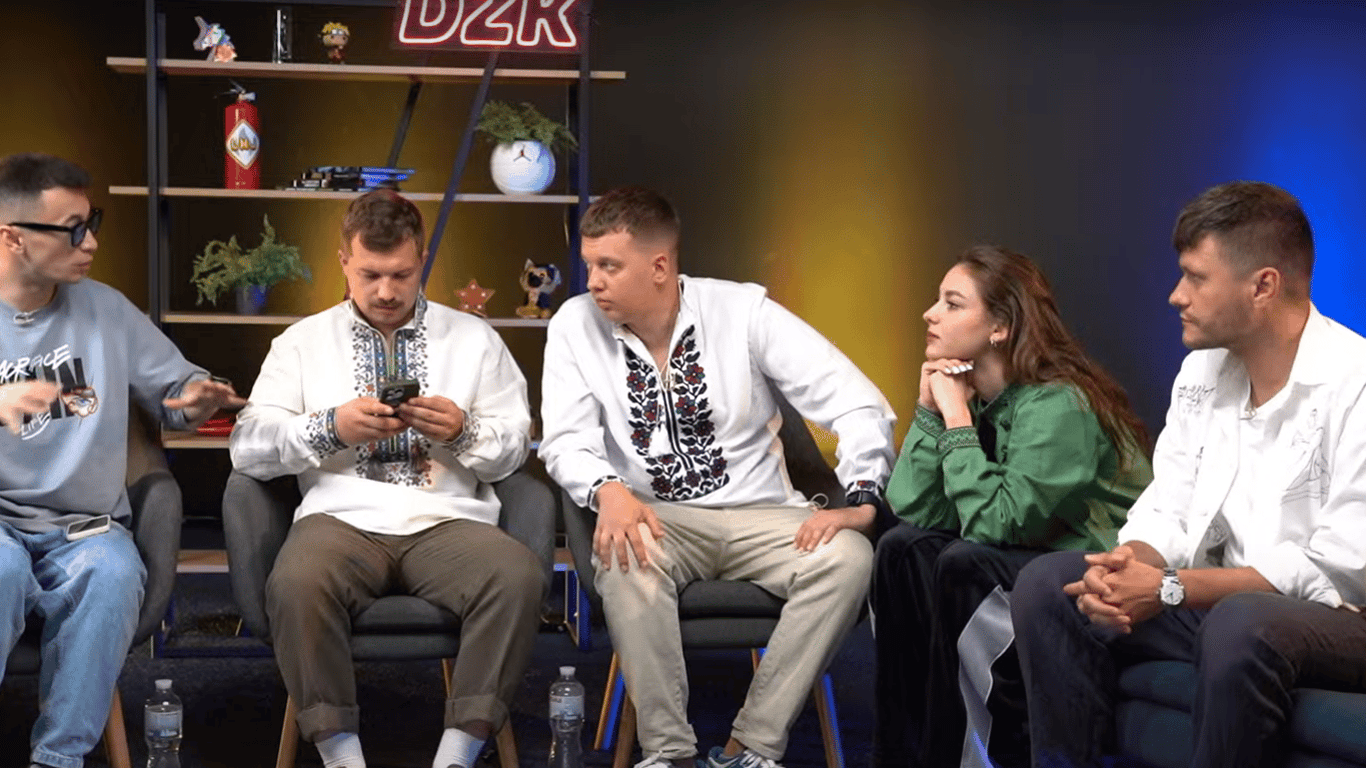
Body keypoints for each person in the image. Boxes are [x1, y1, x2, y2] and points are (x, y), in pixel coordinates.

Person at [1010, 180, 1366, 768]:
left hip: (1338, 619)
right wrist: (1127, 566)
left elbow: (1340, 570)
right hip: (1218, 605)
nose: (1177, 295)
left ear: (1263, 286)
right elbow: (1167, 503)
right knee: (1052, 586)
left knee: (1241, 622)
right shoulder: (1201, 372)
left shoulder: (1355, 382)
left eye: (1196, 278)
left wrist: (1170, 588)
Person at [539, 186, 897, 768]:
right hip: (659, 521)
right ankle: (670, 754)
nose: (593, 282)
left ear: (659, 266)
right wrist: (609, 491)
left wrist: (861, 497)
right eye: (589, 265)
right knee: (625, 556)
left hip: (767, 517)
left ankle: (751, 746)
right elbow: (564, 439)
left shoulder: (743, 312)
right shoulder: (574, 326)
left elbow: (857, 402)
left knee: (849, 559)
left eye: (609, 266)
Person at [229, 189, 543, 768]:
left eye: (401, 274)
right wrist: (331, 428)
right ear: (343, 261)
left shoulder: (475, 340)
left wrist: (464, 432)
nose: (386, 292)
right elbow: (247, 448)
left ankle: (457, 755)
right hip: (338, 519)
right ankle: (341, 758)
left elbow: (513, 452)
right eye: (369, 275)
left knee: (517, 575)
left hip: (449, 520)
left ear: (423, 260)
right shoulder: (301, 342)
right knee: (296, 582)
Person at [0, 152, 241, 768]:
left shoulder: (106, 310)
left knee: (111, 576)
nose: (91, 242)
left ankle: (59, 759)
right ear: (14, 238)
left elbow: (177, 389)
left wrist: (195, 398)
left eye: (93, 223)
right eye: (73, 228)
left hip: (86, 528)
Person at [870, 245, 1152, 768]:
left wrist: (956, 419)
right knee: (901, 548)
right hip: (1025, 553)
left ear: (999, 326)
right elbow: (914, 507)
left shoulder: (1059, 402)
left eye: (952, 303)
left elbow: (999, 522)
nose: (930, 314)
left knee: (965, 562)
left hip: (1091, 570)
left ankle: (977, 757)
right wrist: (931, 411)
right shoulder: (980, 399)